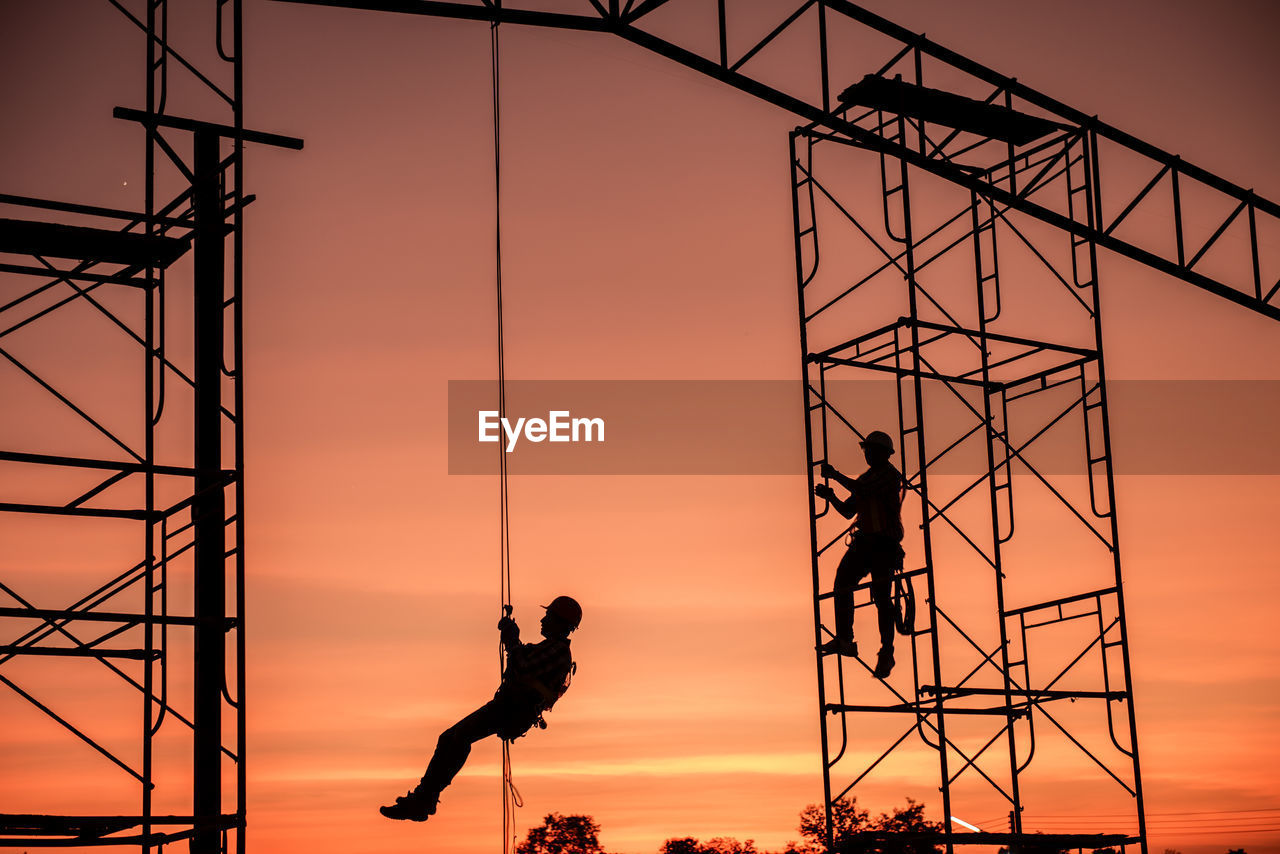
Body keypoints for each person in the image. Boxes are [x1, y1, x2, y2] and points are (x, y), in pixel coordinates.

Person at [380, 595, 582, 821]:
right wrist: (513, 640)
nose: (543, 620)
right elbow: (524, 662)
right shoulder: (548, 649)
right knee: (450, 738)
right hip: (509, 706)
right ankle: (424, 799)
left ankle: (423, 801)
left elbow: (523, 668)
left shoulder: (558, 652)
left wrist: (512, 640)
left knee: (457, 737)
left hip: (513, 709)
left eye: (548, 616)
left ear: (561, 622)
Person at [813, 430, 905, 678]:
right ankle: (845, 638)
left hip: (884, 545)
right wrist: (831, 496)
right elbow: (847, 510)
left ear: (884, 454)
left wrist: (834, 475)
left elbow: (861, 489)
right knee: (842, 584)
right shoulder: (866, 479)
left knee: (882, 597)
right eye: (866, 450)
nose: (868, 454)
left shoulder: (888, 475)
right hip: (865, 543)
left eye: (872, 450)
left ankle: (887, 651)